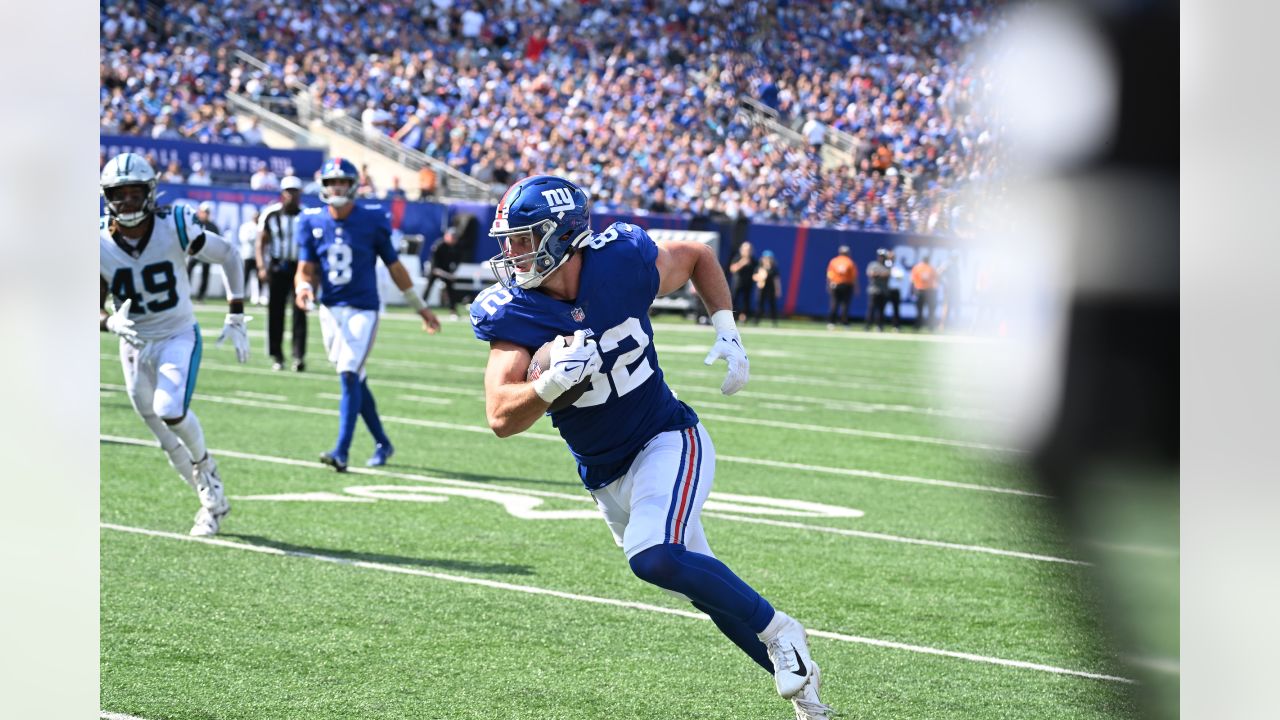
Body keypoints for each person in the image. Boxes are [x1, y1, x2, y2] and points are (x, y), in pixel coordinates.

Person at [471, 175, 834, 720]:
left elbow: (696, 256)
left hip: (666, 439)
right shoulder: (514, 310)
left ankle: (782, 630)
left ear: (562, 234)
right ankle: (810, 702)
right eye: (508, 239)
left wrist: (727, 330)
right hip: (602, 473)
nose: (510, 252)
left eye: (523, 238)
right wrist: (547, 385)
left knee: (655, 555)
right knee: (704, 586)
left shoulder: (618, 262)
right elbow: (500, 416)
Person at [99, 152, 250, 536]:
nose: (128, 202)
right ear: (107, 197)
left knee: (168, 408)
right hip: (133, 342)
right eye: (120, 194)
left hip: (176, 334)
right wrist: (107, 320)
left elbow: (229, 254)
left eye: (136, 193)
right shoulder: (97, 240)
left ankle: (207, 470)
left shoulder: (176, 225)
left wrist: (235, 311)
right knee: (164, 436)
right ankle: (212, 503)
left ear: (151, 193)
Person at [294, 158, 441, 471]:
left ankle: (341, 452)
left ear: (352, 186)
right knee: (355, 380)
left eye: (342, 182)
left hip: (363, 308)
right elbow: (304, 269)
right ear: (323, 187)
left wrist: (421, 307)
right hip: (329, 309)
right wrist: (303, 288)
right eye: (331, 182)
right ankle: (383, 443)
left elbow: (395, 266)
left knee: (348, 373)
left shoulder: (372, 219)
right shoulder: (310, 220)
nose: (336, 187)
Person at [258, 176, 308, 371]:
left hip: (300, 268)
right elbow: (261, 242)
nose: (292, 195)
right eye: (288, 191)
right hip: (278, 267)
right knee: (275, 312)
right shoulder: (270, 214)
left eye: (295, 191)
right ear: (282, 194)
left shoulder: (307, 215)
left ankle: (298, 356)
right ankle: (277, 355)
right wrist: (262, 266)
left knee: (300, 312)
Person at [421, 226, 463, 319]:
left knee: (451, 289)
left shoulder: (457, 247)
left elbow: (457, 262)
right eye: (452, 237)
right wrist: (446, 274)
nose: (454, 239)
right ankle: (421, 308)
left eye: (455, 237)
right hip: (435, 269)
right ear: (446, 236)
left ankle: (453, 310)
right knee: (428, 286)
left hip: (446, 270)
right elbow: (434, 266)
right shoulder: (438, 246)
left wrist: (452, 273)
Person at [185, 201, 219, 301]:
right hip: (194, 253)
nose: (205, 214)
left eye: (207, 212)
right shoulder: (194, 223)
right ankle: (185, 292)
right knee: (188, 271)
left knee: (205, 274)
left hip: (206, 254)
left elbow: (217, 241)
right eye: (204, 212)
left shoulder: (213, 226)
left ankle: (201, 296)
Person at [825, 244, 858, 329]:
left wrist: (829, 284)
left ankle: (831, 322)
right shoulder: (849, 262)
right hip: (846, 285)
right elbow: (853, 276)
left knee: (834, 303)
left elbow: (829, 275)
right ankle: (844, 322)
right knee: (845, 304)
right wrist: (856, 287)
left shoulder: (834, 261)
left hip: (835, 284)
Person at [728, 240, 757, 323]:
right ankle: (733, 317)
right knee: (734, 300)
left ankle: (743, 317)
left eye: (749, 250)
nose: (748, 252)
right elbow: (732, 269)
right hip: (738, 283)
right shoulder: (737, 258)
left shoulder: (753, 260)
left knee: (746, 301)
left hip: (748, 284)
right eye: (746, 250)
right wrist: (742, 263)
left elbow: (756, 271)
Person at [238, 208, 262, 305]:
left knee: (259, 278)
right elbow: (244, 239)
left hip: (258, 257)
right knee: (245, 277)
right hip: (248, 255)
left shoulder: (261, 227)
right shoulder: (246, 226)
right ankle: (241, 296)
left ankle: (258, 297)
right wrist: (257, 240)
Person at [910, 252, 939, 330]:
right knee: (921, 310)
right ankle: (921, 325)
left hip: (926, 290)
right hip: (923, 290)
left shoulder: (929, 268)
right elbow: (913, 280)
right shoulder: (920, 268)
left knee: (928, 310)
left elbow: (935, 280)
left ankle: (928, 326)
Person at [752, 249, 781, 326]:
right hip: (761, 289)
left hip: (770, 289)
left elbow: (776, 280)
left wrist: (777, 290)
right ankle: (756, 320)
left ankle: (774, 321)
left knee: (772, 305)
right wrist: (760, 277)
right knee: (759, 305)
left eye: (769, 258)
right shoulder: (759, 267)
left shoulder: (774, 269)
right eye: (766, 258)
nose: (767, 260)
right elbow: (754, 276)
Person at [865, 248, 891, 331]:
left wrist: (878, 274)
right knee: (871, 308)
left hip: (883, 291)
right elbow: (871, 274)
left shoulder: (887, 265)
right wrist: (880, 275)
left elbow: (887, 274)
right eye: (880, 256)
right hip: (874, 290)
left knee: (881, 310)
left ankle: (880, 326)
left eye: (883, 256)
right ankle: (868, 325)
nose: (881, 258)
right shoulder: (873, 264)